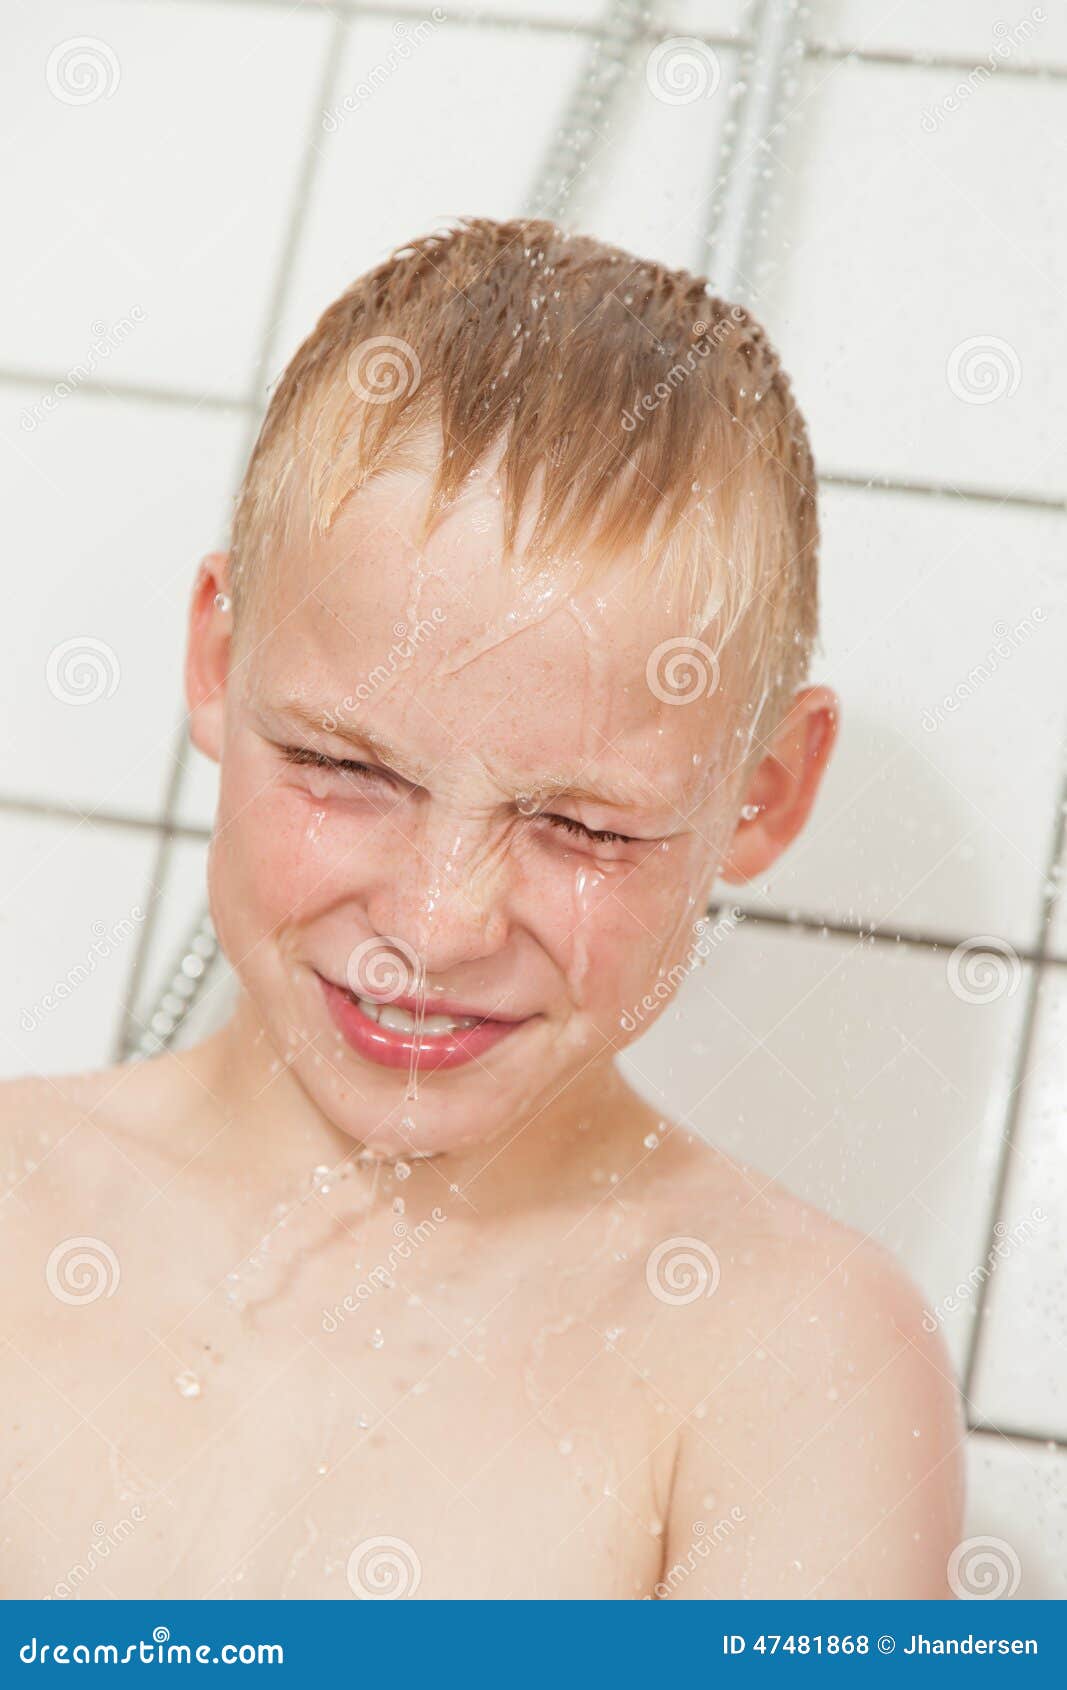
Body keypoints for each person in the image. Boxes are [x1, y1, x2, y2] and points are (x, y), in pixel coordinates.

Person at [0, 217, 962, 1599]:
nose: (440, 921)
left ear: (761, 793)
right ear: (218, 653)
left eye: (582, 825)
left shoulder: (789, 1369)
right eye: (344, 767)